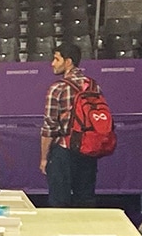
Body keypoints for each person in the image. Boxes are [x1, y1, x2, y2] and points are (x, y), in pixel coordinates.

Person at [39, 42, 100, 208]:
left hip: (64, 152)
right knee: (86, 200)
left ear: (68, 62)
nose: (52, 63)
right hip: (89, 150)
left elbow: (49, 128)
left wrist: (44, 158)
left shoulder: (57, 88)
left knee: (59, 202)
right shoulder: (93, 86)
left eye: (56, 59)